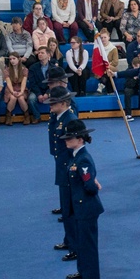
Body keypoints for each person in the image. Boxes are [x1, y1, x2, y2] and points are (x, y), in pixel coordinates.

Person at [60, 119, 104, 279]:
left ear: (80, 139)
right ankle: (83, 271)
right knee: (81, 242)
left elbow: (89, 185)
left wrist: (93, 185)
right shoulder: (77, 156)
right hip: (80, 207)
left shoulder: (83, 159)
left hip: (86, 207)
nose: (66, 140)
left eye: (70, 138)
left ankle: (92, 278)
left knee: (87, 244)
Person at [47, 85, 79, 256]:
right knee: (66, 209)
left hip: (68, 169)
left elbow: (75, 149)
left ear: (63, 103)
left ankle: (74, 246)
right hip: (62, 166)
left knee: (70, 209)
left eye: (54, 103)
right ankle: (69, 240)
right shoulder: (59, 118)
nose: (50, 106)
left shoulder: (70, 120)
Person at [27, 47, 57, 124]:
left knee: (58, 95)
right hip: (37, 90)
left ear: (48, 54)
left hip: (50, 90)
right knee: (31, 98)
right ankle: (37, 117)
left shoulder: (54, 68)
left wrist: (47, 93)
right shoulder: (33, 68)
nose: (39, 54)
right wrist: (39, 94)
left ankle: (55, 117)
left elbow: (54, 83)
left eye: (42, 53)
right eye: (39, 53)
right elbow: (32, 83)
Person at [3, 52, 30, 125]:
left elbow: (24, 82)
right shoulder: (7, 70)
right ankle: (8, 117)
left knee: (21, 98)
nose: (12, 61)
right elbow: (8, 83)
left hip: (21, 88)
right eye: (10, 59)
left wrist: (21, 92)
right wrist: (12, 92)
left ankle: (26, 116)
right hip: (10, 88)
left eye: (14, 58)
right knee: (13, 98)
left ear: (18, 59)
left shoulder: (24, 70)